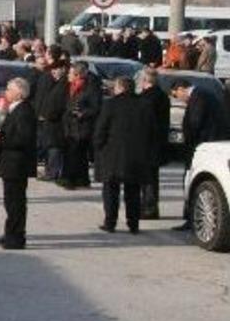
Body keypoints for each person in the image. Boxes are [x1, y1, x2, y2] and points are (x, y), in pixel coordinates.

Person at [171, 79, 230, 230]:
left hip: (204, 147)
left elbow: (195, 122)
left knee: (193, 180)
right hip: (207, 144)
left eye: (176, 94)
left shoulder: (199, 96)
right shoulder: (202, 94)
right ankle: (190, 218)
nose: (178, 99)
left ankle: (192, 219)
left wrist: (189, 141)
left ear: (181, 88)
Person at [93, 77, 149, 234]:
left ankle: (110, 222)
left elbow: (101, 128)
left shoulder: (110, 104)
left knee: (111, 190)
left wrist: (97, 147)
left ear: (120, 88)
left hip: (112, 153)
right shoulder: (144, 104)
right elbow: (151, 130)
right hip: (136, 155)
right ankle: (133, 224)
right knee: (133, 191)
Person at [0, 77, 35, 249]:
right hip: (11, 163)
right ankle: (10, 233)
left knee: (16, 202)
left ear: (19, 93)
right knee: (10, 201)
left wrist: (2, 141)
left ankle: (16, 237)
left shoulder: (24, 111)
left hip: (17, 164)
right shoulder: (15, 109)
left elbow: (23, 139)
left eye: (9, 89)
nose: (6, 92)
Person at [61, 61, 101, 189]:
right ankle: (82, 179)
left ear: (77, 75)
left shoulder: (90, 87)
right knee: (76, 153)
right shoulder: (71, 86)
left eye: (71, 73)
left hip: (82, 126)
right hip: (70, 125)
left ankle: (71, 179)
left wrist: (83, 113)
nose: (68, 75)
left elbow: (96, 107)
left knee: (76, 153)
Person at [137, 68, 170, 219]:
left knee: (147, 178)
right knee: (152, 177)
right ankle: (150, 207)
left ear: (145, 81)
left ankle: (149, 208)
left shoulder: (146, 98)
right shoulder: (163, 96)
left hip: (146, 142)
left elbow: (143, 123)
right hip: (159, 141)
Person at [35, 61, 68, 182]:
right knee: (50, 146)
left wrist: (48, 115)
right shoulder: (56, 83)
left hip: (56, 121)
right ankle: (50, 170)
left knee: (54, 146)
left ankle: (53, 172)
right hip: (50, 120)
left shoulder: (63, 84)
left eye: (56, 69)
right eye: (52, 70)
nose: (53, 72)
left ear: (63, 69)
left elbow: (59, 104)